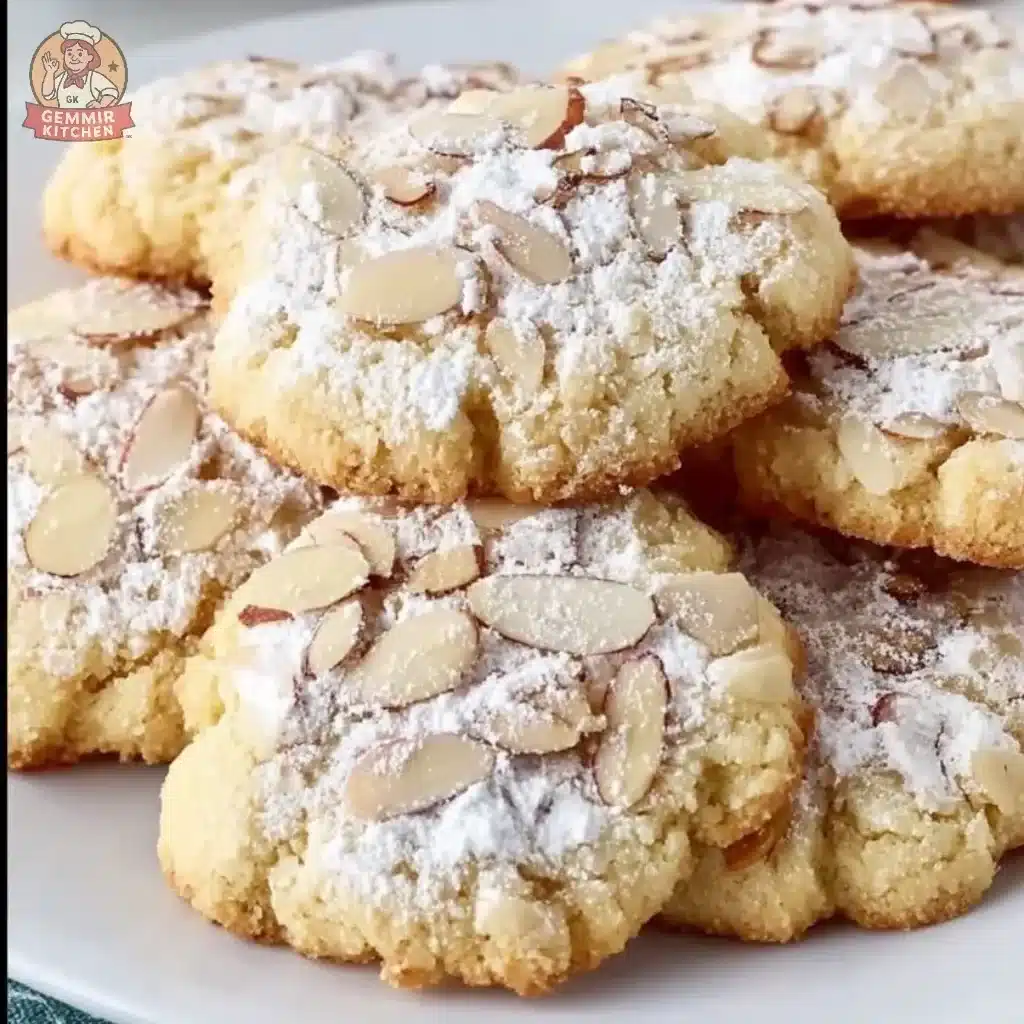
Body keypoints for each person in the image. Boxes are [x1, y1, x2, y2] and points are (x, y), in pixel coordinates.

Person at [40, 21, 120, 110]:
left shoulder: (93, 77)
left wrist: (101, 104)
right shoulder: (62, 77)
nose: (74, 58)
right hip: (64, 122)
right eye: (69, 54)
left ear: (90, 57)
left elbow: (111, 92)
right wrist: (50, 73)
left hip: (89, 122)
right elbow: (47, 94)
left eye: (80, 54)